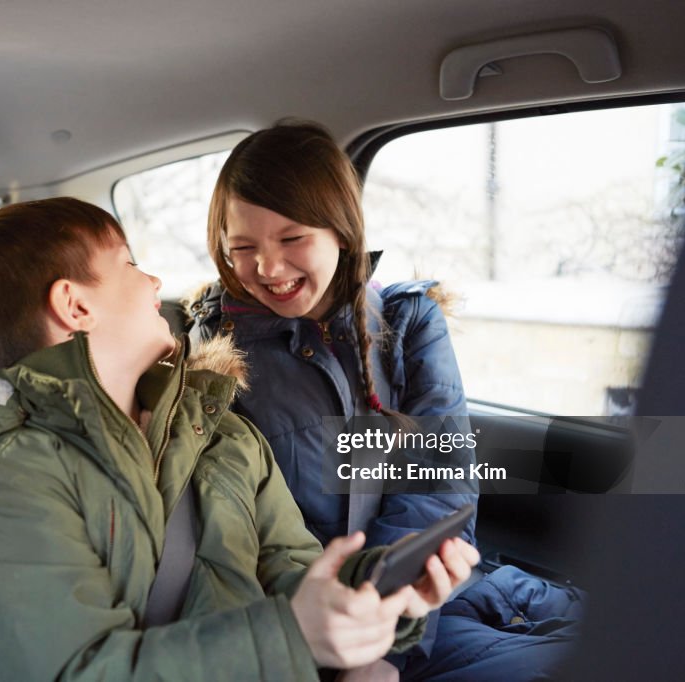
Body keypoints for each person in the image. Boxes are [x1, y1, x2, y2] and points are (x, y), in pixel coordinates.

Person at [0, 197, 478, 681]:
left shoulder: (222, 434)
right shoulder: (12, 481)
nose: (152, 283)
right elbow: (78, 668)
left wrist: (374, 594)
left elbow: (291, 568)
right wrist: (292, 637)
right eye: (129, 264)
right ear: (76, 305)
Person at [188, 121, 583, 681]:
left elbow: (441, 477)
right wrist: (357, 645)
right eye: (243, 248)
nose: (268, 269)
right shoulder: (218, 353)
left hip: (436, 592)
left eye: (292, 239)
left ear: (342, 232)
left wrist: (386, 623)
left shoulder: (408, 319)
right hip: (325, 622)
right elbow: (237, 535)